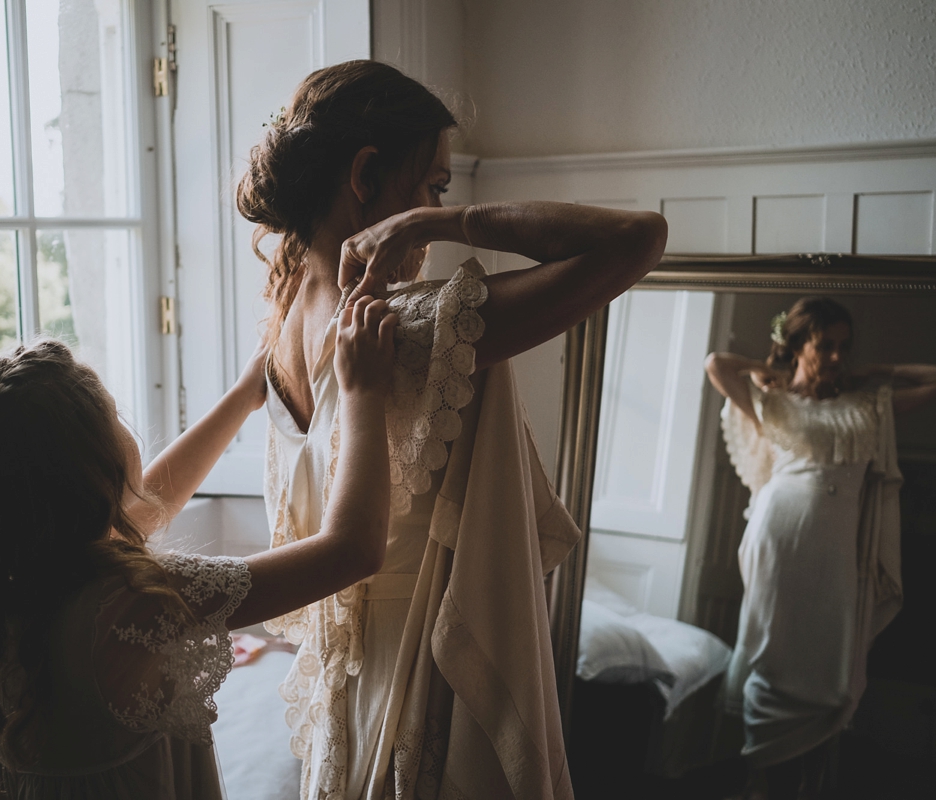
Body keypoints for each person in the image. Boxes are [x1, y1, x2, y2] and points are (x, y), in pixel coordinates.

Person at [236, 60, 668, 799]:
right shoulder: (410, 327)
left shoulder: (279, 333)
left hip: (345, 688)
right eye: (434, 185)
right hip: (426, 670)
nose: (438, 207)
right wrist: (442, 224)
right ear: (367, 174)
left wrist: (423, 210)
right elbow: (638, 239)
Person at [0, 296, 397, 800]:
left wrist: (242, 397)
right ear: (88, 469)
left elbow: (146, 506)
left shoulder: (11, 579)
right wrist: (361, 392)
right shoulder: (133, 601)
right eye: (112, 412)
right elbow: (353, 550)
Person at [706, 296, 936, 799]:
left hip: (833, 549)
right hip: (778, 538)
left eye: (844, 347)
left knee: (829, 661)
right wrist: (771, 369)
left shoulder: (868, 405)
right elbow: (716, 365)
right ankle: (768, 777)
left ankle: (804, 779)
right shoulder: (774, 401)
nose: (836, 356)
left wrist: (877, 370)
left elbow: (933, 380)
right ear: (797, 345)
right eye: (824, 345)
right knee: (775, 651)